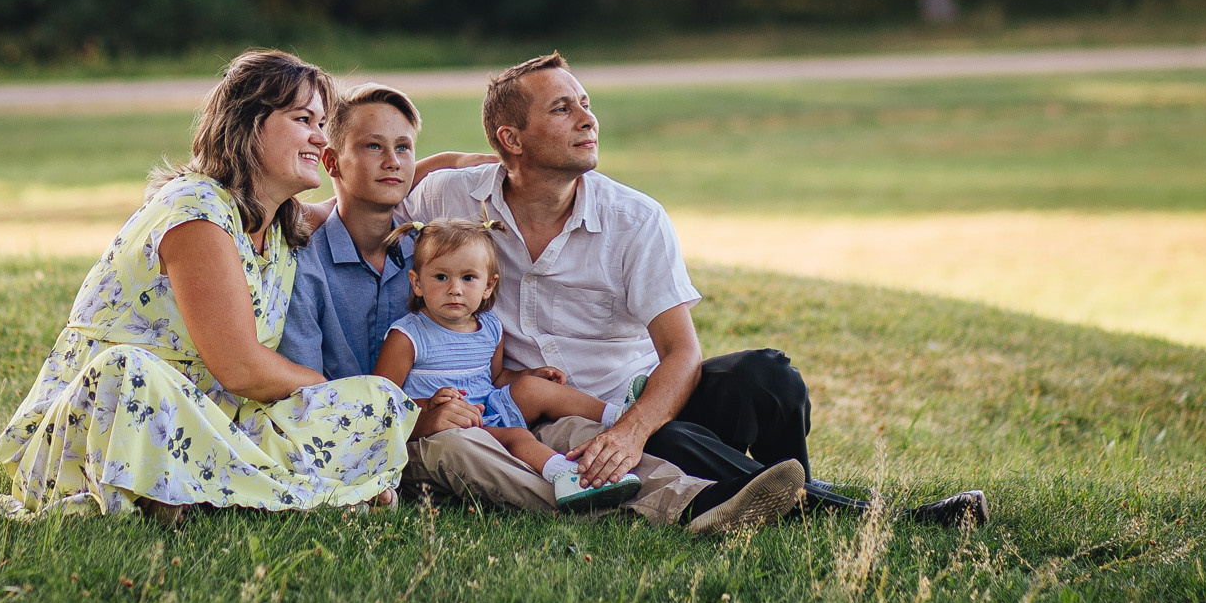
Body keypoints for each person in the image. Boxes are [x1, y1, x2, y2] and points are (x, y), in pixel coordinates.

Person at [399, 53, 989, 532]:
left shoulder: (635, 218)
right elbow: (399, 183)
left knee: (769, 375)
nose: (587, 118)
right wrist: (315, 212)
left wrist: (631, 431)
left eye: (586, 103)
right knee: (679, 443)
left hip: (638, 398)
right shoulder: (456, 198)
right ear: (513, 138)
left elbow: (682, 353)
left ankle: (792, 490)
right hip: (555, 417)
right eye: (562, 108)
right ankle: (851, 516)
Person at [0, 50, 412, 521]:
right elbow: (241, 369)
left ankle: (218, 493)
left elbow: (372, 191)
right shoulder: (197, 211)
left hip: (221, 423)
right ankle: (299, 492)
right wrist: (322, 389)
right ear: (250, 123)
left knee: (380, 402)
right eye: (303, 119)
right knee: (130, 370)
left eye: (322, 122)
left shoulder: (282, 223)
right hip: (117, 417)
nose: (320, 136)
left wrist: (502, 167)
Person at [283, 83, 712, 526]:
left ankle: (701, 499)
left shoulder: (430, 248)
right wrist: (423, 419)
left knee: (570, 431)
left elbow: (440, 166)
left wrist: (499, 163)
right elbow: (306, 395)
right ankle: (615, 509)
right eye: (374, 147)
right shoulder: (304, 261)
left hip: (482, 411)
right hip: (393, 441)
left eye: (403, 148)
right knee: (465, 443)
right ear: (332, 161)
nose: (393, 161)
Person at [374, 218, 644, 510]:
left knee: (532, 387)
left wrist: (529, 375)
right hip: (449, 429)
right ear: (417, 282)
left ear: (489, 286)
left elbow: (497, 376)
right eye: (441, 277)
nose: (455, 289)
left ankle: (618, 414)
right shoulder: (408, 336)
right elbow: (378, 405)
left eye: (468, 278)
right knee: (517, 436)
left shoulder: (489, 327)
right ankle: (563, 475)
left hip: (488, 410)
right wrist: (428, 404)